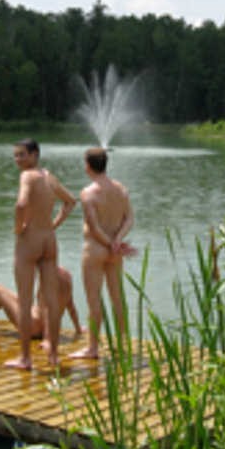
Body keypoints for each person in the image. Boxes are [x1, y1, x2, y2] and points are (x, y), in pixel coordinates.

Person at [6, 138, 76, 370]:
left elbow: (20, 204)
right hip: (49, 240)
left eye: (22, 155)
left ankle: (25, 358)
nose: (18, 160)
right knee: (52, 300)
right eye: (16, 155)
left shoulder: (28, 176)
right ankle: (53, 355)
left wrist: (19, 229)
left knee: (25, 302)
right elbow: (70, 202)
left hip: (30, 240)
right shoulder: (49, 177)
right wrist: (54, 225)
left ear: (35, 155)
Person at [70, 147, 135, 360]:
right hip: (114, 252)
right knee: (118, 299)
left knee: (94, 300)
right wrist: (117, 242)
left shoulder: (88, 193)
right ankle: (123, 345)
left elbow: (94, 226)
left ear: (88, 165)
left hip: (95, 249)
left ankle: (92, 348)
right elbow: (129, 219)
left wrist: (110, 243)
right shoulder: (121, 189)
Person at [0, 265, 83, 342]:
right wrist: (78, 329)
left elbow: (48, 309)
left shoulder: (48, 279)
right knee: (5, 296)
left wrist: (47, 340)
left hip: (33, 326)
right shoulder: (65, 277)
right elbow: (71, 306)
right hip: (44, 324)